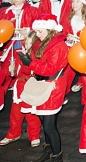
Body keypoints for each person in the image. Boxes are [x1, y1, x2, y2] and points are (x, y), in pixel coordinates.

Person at [18, 15, 69, 162]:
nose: (37, 34)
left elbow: (50, 69)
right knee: (42, 120)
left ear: (49, 29)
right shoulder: (41, 43)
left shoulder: (58, 45)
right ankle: (49, 150)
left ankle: (58, 157)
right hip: (42, 85)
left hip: (53, 86)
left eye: (40, 31)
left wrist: (30, 63)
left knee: (49, 126)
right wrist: (26, 61)